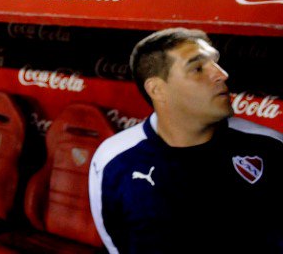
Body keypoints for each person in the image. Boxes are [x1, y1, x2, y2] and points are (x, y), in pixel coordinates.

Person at [89, 28, 283, 252]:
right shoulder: (113, 160)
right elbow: (116, 243)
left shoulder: (269, 146)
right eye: (198, 68)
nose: (222, 74)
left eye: (217, 63)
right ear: (157, 90)